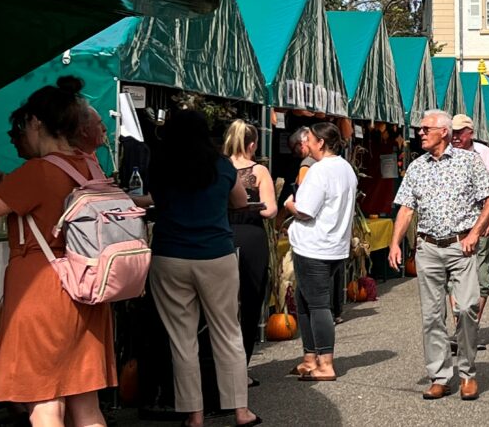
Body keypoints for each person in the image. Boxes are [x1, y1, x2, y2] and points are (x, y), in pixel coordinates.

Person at [0, 77, 117, 427]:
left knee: (46, 405)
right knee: (86, 404)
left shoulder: (37, 172)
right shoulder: (90, 166)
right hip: (87, 289)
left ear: (35, 122)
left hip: (40, 294)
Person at [141, 110, 260, 427]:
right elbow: (238, 202)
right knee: (227, 333)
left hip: (170, 255)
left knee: (182, 339)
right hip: (216, 254)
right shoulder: (221, 165)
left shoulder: (160, 164)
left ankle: (194, 415)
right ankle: (240, 410)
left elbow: (155, 201)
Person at [389, 110, 489, 401]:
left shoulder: (468, 161)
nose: (420, 133)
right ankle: (439, 376)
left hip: (460, 246)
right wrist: (395, 242)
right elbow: (406, 207)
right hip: (427, 247)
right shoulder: (417, 167)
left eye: (426, 129)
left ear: (445, 132)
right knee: (432, 316)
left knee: (465, 309)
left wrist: (476, 232)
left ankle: (467, 373)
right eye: (420, 129)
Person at [287, 122, 357, 381]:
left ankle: (325, 363)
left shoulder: (320, 170)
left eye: (311, 139)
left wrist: (290, 205)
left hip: (315, 245)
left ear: (321, 143)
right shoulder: (346, 168)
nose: (308, 144)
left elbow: (306, 210)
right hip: (333, 245)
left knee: (317, 305)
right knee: (306, 303)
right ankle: (309, 357)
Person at [223, 120, 278, 369]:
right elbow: (271, 210)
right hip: (251, 236)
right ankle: (241, 368)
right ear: (253, 144)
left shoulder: (219, 168)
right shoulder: (258, 171)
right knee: (250, 299)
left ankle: (220, 366)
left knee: (221, 303)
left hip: (222, 235)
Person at [450, 115, 489, 338]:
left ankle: (471, 328)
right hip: (453, 227)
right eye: (452, 132)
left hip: (480, 224)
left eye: (459, 132)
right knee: (455, 278)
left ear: (469, 132)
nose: (454, 137)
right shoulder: (445, 153)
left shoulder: (484, 153)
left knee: (482, 278)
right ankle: (460, 329)